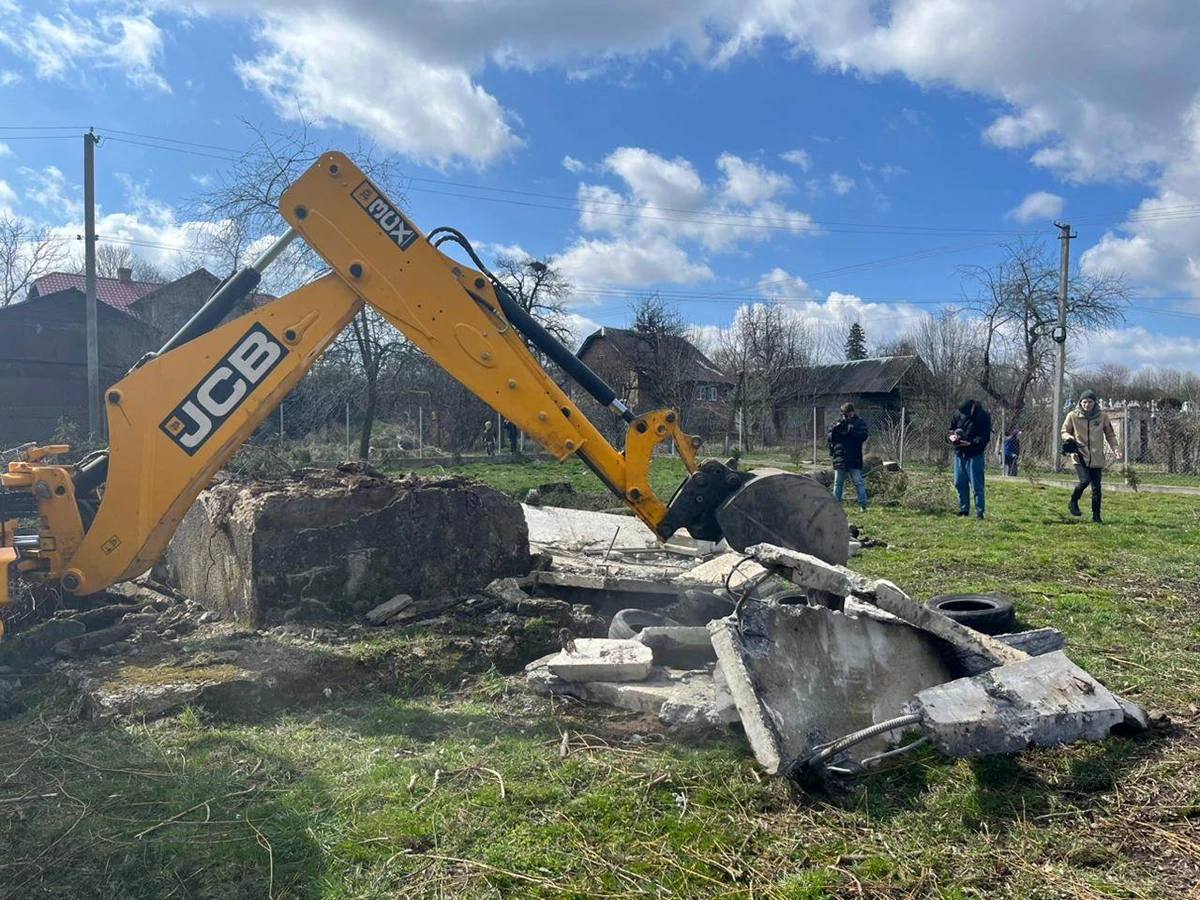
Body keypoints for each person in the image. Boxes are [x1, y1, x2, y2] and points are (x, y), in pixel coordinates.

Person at [1061, 389, 1121, 523]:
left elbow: (1110, 435)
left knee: (1096, 488)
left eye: (1090, 402)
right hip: (1079, 455)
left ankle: (1096, 516)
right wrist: (1070, 438)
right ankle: (1073, 501)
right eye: (1084, 402)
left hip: (1097, 456)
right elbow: (1064, 431)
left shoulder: (1102, 417)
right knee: (1085, 480)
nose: (1087, 404)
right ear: (1080, 402)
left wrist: (1116, 449)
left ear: (1094, 403)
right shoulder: (1072, 416)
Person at [948, 399, 992, 518]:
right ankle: (963, 510)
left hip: (975, 455)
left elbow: (985, 437)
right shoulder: (958, 413)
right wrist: (952, 437)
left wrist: (971, 443)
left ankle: (979, 513)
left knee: (977, 485)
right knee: (959, 483)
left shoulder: (983, 415)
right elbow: (950, 430)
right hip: (959, 453)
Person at [827, 402, 869, 511]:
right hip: (840, 457)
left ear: (852, 412)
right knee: (838, 483)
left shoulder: (859, 423)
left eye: (847, 414)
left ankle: (863, 505)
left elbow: (864, 436)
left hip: (854, 457)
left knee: (858, 482)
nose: (845, 416)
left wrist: (852, 431)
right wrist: (836, 429)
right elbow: (830, 437)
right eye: (844, 414)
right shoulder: (838, 423)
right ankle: (836, 507)